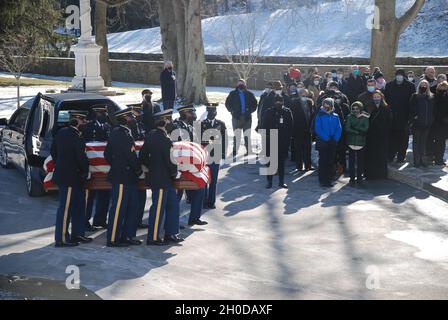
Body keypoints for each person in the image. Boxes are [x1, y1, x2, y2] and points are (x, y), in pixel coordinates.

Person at [140, 109, 183, 245]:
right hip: (162, 180)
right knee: (158, 207)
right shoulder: (165, 139)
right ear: (165, 122)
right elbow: (170, 160)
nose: (171, 123)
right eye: (169, 120)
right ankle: (152, 237)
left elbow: (142, 156)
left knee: (173, 204)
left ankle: (171, 233)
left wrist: (151, 167)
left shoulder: (150, 135)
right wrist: (174, 172)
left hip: (160, 178)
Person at [51, 111, 91, 247]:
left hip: (74, 177)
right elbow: (81, 157)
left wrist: (60, 164)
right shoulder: (75, 136)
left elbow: (53, 152)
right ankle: (61, 239)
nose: (84, 124)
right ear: (77, 121)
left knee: (79, 206)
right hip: (69, 177)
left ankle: (77, 234)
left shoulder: (61, 133)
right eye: (83, 121)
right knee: (66, 208)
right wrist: (85, 170)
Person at [104, 108, 143, 247]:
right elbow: (130, 156)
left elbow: (107, 154)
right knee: (118, 208)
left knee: (133, 207)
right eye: (131, 117)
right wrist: (137, 169)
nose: (134, 119)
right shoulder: (122, 134)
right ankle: (113, 238)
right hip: (122, 177)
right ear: (125, 118)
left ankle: (128, 235)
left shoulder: (119, 132)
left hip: (128, 177)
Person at [172, 105, 207, 226]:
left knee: (200, 189)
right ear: (185, 113)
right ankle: (173, 223)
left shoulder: (191, 127)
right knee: (177, 196)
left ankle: (194, 217)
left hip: (192, 167)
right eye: (192, 112)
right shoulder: (176, 127)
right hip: (179, 167)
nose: (195, 114)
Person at [82, 105, 111, 231]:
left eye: (104, 112)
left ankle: (100, 219)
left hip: (103, 167)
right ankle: (85, 221)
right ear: (96, 113)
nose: (104, 115)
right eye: (102, 112)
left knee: (105, 194)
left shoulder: (107, 126)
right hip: (92, 167)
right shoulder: (88, 127)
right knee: (90, 196)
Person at [261, 94, 294, 189]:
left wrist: (287, 138)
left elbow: (291, 126)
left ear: (283, 102)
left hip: (283, 140)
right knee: (270, 162)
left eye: (280, 101)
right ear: (274, 102)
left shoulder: (287, 112)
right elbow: (264, 125)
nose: (278, 103)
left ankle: (281, 182)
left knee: (281, 163)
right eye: (277, 101)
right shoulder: (269, 111)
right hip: (271, 140)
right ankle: (269, 182)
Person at [384, 69, 416, 163]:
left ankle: (401, 156)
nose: (399, 77)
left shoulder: (410, 86)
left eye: (401, 75)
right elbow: (386, 100)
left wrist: (411, 117)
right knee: (391, 138)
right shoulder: (389, 85)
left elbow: (413, 102)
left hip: (404, 117)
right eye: (397, 75)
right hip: (392, 116)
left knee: (403, 139)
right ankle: (390, 155)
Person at [201, 103, 227, 209]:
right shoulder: (201, 124)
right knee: (204, 179)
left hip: (216, 155)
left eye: (213, 112)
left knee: (214, 180)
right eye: (209, 112)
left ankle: (211, 201)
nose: (211, 114)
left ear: (216, 113)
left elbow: (224, 139)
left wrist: (223, 155)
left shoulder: (221, 124)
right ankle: (204, 201)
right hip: (205, 155)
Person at [225, 79, 258, 156]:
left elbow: (255, 104)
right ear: (237, 85)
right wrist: (232, 111)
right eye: (239, 84)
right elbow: (227, 103)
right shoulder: (232, 94)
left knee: (247, 134)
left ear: (245, 84)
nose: (240, 85)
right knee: (237, 135)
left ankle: (249, 150)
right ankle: (235, 150)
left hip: (247, 118)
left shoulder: (250, 94)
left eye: (242, 83)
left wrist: (250, 111)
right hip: (236, 117)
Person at [314, 98, 342, 188]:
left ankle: (329, 179)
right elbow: (318, 128)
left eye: (328, 104)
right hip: (323, 142)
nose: (326, 106)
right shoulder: (319, 115)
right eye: (325, 104)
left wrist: (335, 138)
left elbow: (339, 128)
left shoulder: (335, 116)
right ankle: (322, 179)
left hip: (332, 142)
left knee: (331, 161)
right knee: (323, 161)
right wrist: (326, 138)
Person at [364, 91, 392, 180]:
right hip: (371, 135)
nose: (376, 99)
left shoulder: (386, 108)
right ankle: (370, 174)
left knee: (381, 154)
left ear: (381, 97)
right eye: (375, 97)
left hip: (382, 135)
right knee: (371, 155)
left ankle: (381, 174)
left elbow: (389, 121)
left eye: (378, 97)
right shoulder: (368, 107)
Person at [409, 80, 434, 167]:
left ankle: (422, 160)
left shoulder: (431, 97)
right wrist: (414, 118)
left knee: (423, 143)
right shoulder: (415, 96)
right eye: (422, 85)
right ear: (419, 86)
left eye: (425, 85)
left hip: (427, 124)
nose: (423, 87)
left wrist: (431, 120)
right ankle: (416, 161)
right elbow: (410, 109)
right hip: (417, 124)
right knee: (416, 142)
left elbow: (433, 110)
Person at [344, 102, 370, 185]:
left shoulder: (365, 118)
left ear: (360, 109)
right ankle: (352, 178)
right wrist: (357, 131)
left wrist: (354, 127)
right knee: (351, 162)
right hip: (351, 142)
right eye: (354, 109)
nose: (355, 110)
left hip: (361, 142)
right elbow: (347, 128)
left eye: (357, 109)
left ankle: (359, 178)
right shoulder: (349, 117)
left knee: (360, 162)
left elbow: (365, 128)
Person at [291, 88, 314, 172]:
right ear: (299, 95)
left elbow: (312, 114)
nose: (304, 96)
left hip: (308, 130)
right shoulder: (294, 103)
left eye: (305, 95)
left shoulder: (309, 102)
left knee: (308, 149)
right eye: (302, 94)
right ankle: (299, 166)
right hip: (298, 130)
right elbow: (292, 117)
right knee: (298, 149)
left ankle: (308, 165)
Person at [431, 81, 448, 165]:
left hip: (444, 123)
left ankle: (439, 158)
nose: (443, 89)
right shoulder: (435, 97)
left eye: (445, 88)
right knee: (438, 142)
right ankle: (437, 158)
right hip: (437, 123)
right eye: (442, 88)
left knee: (441, 143)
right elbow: (434, 110)